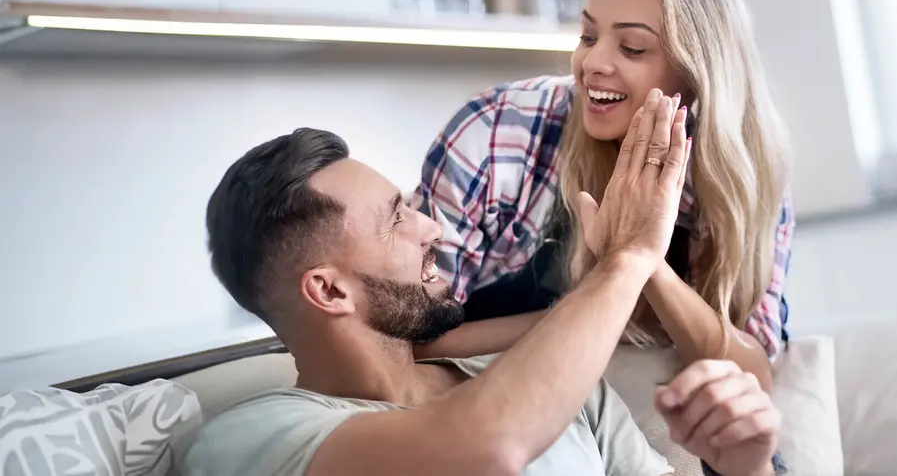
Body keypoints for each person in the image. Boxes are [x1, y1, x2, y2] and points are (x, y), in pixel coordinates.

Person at [182, 108, 783, 476]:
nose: (432, 228)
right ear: (330, 291)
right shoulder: (251, 439)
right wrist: (624, 262)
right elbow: (485, 451)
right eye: (398, 219)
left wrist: (748, 469)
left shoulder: (560, 389)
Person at [410, 0, 795, 392]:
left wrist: (641, 261)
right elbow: (408, 341)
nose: (591, 62)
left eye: (632, 47)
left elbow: (754, 376)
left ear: (698, 72)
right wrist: (609, 313)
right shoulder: (499, 132)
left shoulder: (743, 177)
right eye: (588, 36)